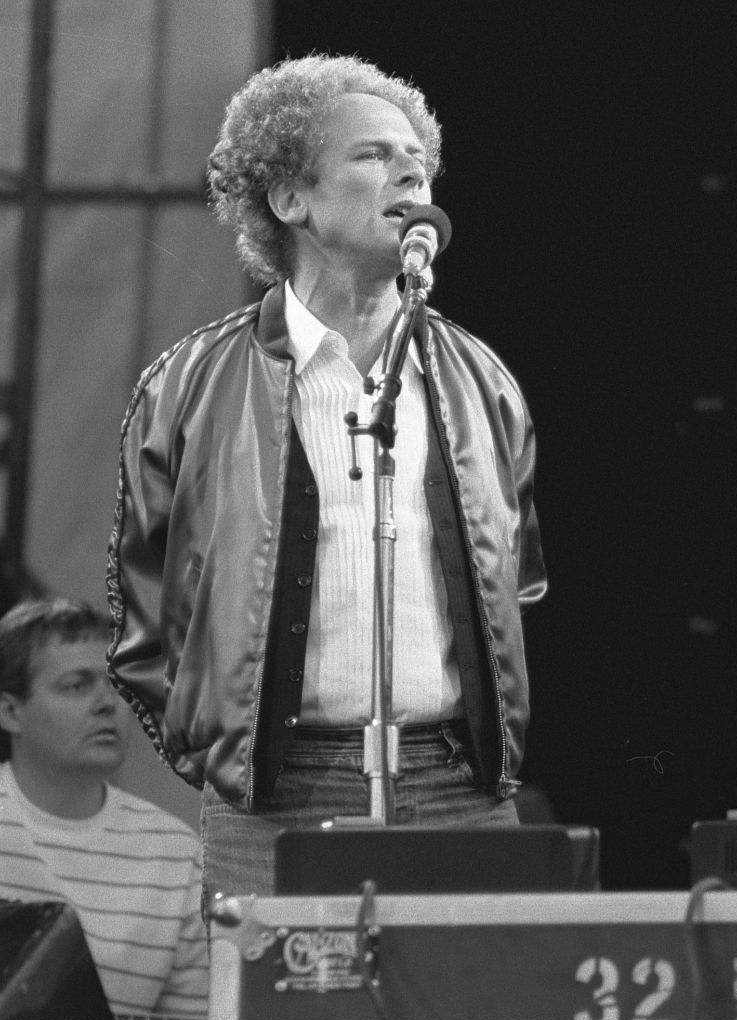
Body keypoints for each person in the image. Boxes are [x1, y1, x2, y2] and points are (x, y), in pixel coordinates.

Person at [107, 55, 544, 908]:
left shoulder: (479, 380)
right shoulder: (190, 386)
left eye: (418, 159)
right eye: (375, 155)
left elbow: (517, 582)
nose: (411, 171)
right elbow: (142, 622)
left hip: (462, 791)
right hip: (279, 801)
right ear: (289, 200)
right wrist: (234, 757)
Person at [0, 599, 207, 1020]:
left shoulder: (174, 854)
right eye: (76, 686)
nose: (106, 704)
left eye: (116, 685)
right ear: (9, 710)